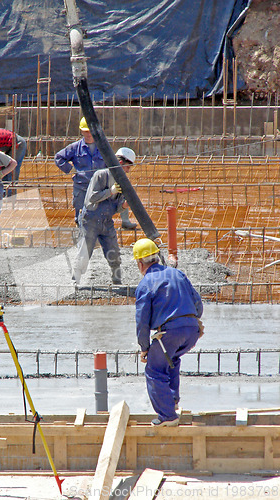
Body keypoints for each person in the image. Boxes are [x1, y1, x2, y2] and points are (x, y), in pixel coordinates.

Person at [133, 238, 203, 427]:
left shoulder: (145, 283)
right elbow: (198, 303)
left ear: (140, 263)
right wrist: (192, 321)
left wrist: (144, 347)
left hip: (171, 333)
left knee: (154, 370)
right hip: (192, 330)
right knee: (170, 360)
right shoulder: (177, 274)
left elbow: (142, 321)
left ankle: (168, 416)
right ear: (157, 257)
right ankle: (172, 402)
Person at [54, 117, 137, 229]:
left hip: (99, 187)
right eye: (85, 131)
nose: (88, 134)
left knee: (102, 213)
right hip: (81, 188)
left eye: (90, 131)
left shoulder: (103, 148)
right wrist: (70, 169)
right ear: (81, 131)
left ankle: (124, 221)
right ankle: (81, 239)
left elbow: (111, 164)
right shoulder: (75, 147)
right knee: (81, 219)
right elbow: (58, 158)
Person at [72, 147, 136, 285]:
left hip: (106, 221)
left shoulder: (123, 182)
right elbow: (92, 198)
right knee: (84, 251)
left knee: (114, 253)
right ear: (119, 162)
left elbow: (117, 206)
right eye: (127, 167)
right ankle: (75, 280)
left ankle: (117, 280)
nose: (128, 171)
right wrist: (110, 191)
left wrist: (124, 206)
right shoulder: (100, 175)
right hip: (90, 220)